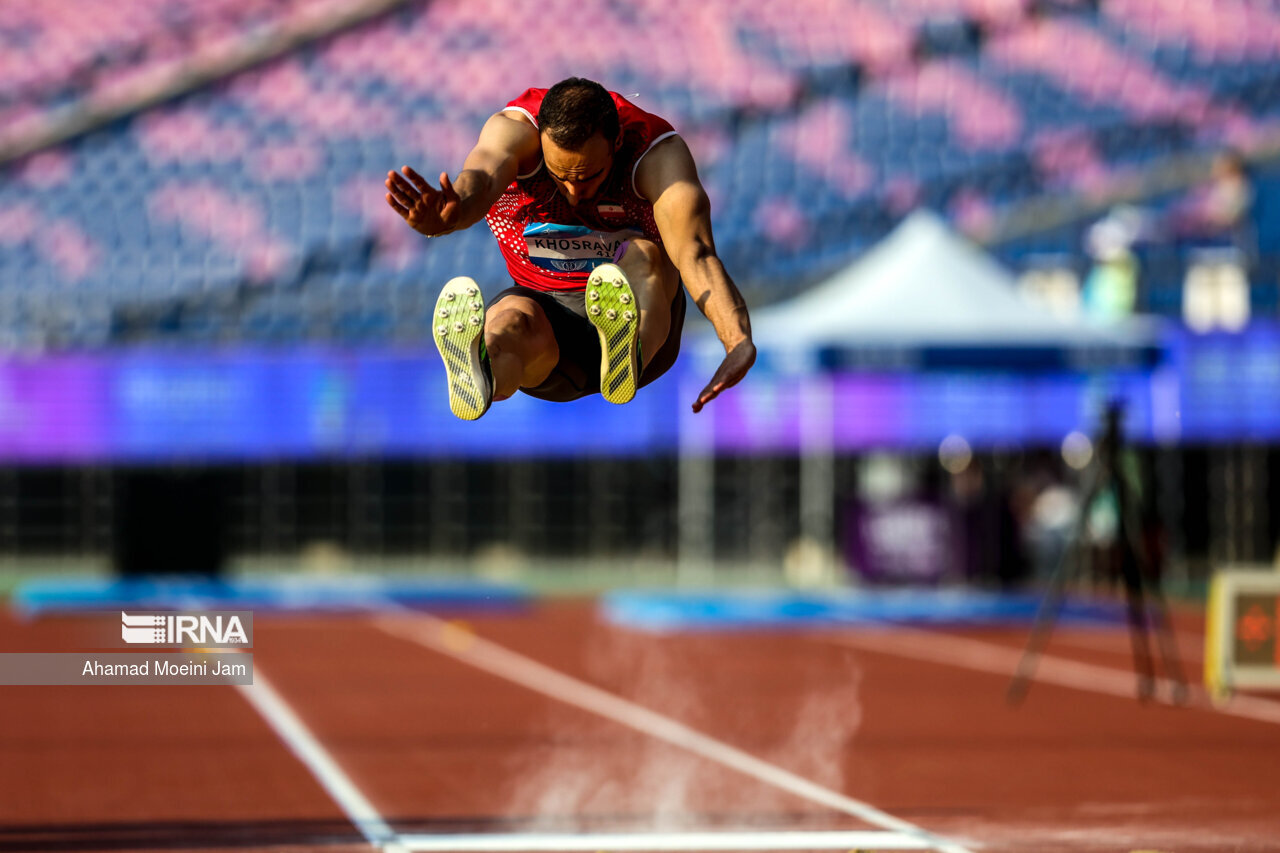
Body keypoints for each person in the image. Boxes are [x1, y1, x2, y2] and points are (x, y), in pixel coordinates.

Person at [384, 77, 755, 420]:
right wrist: (451, 216)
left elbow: (696, 253)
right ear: (541, 141)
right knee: (509, 323)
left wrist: (736, 340)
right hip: (548, 311)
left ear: (617, 144)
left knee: (644, 254)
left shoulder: (657, 157)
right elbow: (479, 181)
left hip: (645, 311)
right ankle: (483, 371)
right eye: (559, 174)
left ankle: (627, 352)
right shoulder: (512, 132)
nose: (574, 191)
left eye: (588, 176)